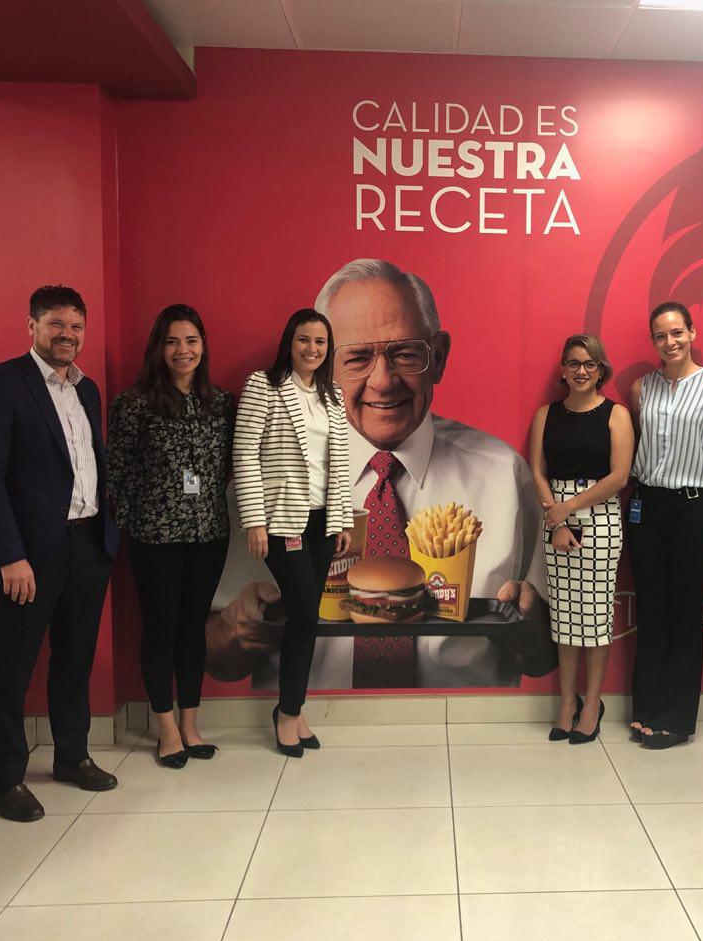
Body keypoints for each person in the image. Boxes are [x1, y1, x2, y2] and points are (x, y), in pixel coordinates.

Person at [207, 258, 554, 689]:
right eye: (357, 358)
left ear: (439, 357)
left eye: (406, 354)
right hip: (311, 716)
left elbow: (543, 658)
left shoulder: (504, 476)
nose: (383, 381)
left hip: (460, 719)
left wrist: (530, 631)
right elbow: (218, 659)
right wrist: (234, 630)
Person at [0, 285, 120, 822]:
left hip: (88, 543)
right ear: (31, 326)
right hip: (27, 554)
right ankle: (5, 779)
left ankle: (72, 756)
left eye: (76, 326)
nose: (66, 335)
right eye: (56, 324)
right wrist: (9, 555)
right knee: (12, 665)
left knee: (74, 659)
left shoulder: (87, 389)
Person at [107, 304, 234, 768]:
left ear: (203, 346)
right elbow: (116, 471)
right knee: (160, 629)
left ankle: (190, 724)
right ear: (159, 348)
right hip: (154, 537)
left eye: (191, 341)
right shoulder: (134, 404)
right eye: (173, 341)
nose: (183, 350)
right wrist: (132, 520)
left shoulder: (221, 403)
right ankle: (165, 728)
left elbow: (228, 466)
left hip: (208, 533)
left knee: (193, 629)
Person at [234, 308, 354, 758]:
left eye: (321, 342)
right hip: (283, 518)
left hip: (324, 519)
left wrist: (342, 519)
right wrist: (255, 520)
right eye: (304, 339)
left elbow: (338, 460)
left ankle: (295, 709)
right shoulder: (263, 386)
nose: (312, 349)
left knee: (308, 617)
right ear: (290, 342)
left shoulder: (333, 394)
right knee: (303, 612)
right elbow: (245, 453)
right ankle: (286, 713)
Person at [628, 301, 703, 749]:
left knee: (687, 614)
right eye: (660, 335)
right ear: (652, 340)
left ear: (692, 332)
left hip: (695, 508)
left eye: (676, 332)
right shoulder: (641, 389)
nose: (669, 342)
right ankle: (646, 708)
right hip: (647, 508)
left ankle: (676, 718)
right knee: (652, 612)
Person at [528, 334, 634, 744]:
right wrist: (556, 519)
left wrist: (568, 508)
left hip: (601, 519)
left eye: (590, 364)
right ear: (563, 369)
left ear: (601, 369)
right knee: (565, 617)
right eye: (574, 363)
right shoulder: (546, 414)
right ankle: (566, 703)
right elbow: (538, 471)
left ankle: (592, 704)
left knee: (595, 616)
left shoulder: (616, 414)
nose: (581, 371)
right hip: (554, 518)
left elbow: (619, 477)